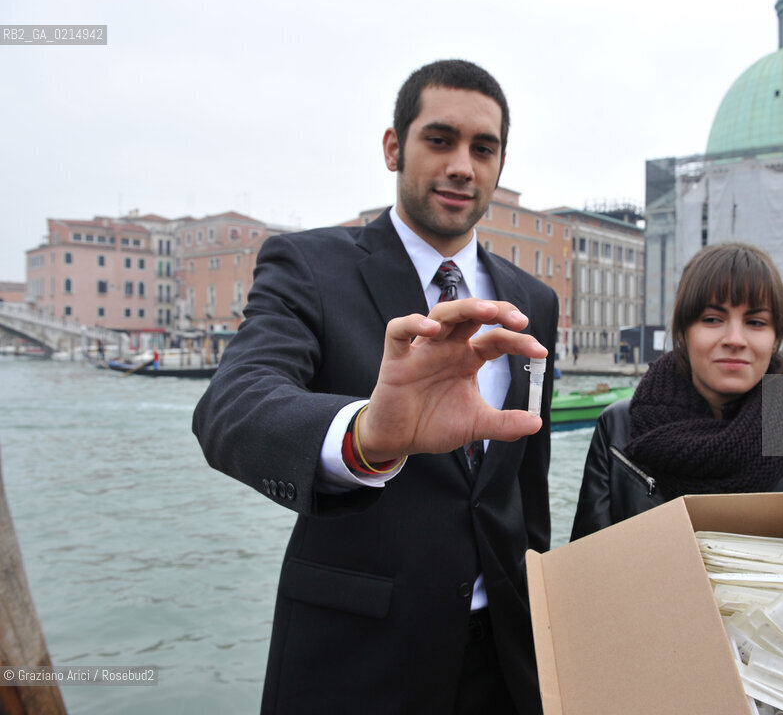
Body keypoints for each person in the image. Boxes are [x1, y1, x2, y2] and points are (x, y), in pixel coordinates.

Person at [192, 60, 557, 715]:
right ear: (395, 146)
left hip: (505, 654)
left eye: (484, 148)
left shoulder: (534, 301)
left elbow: (526, 480)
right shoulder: (309, 266)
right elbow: (232, 404)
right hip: (358, 655)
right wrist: (367, 437)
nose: (462, 167)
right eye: (439, 140)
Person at [571, 243, 783, 540]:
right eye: (712, 319)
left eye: (756, 322)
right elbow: (586, 562)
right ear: (683, 332)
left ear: (776, 338)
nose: (735, 339)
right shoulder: (617, 425)